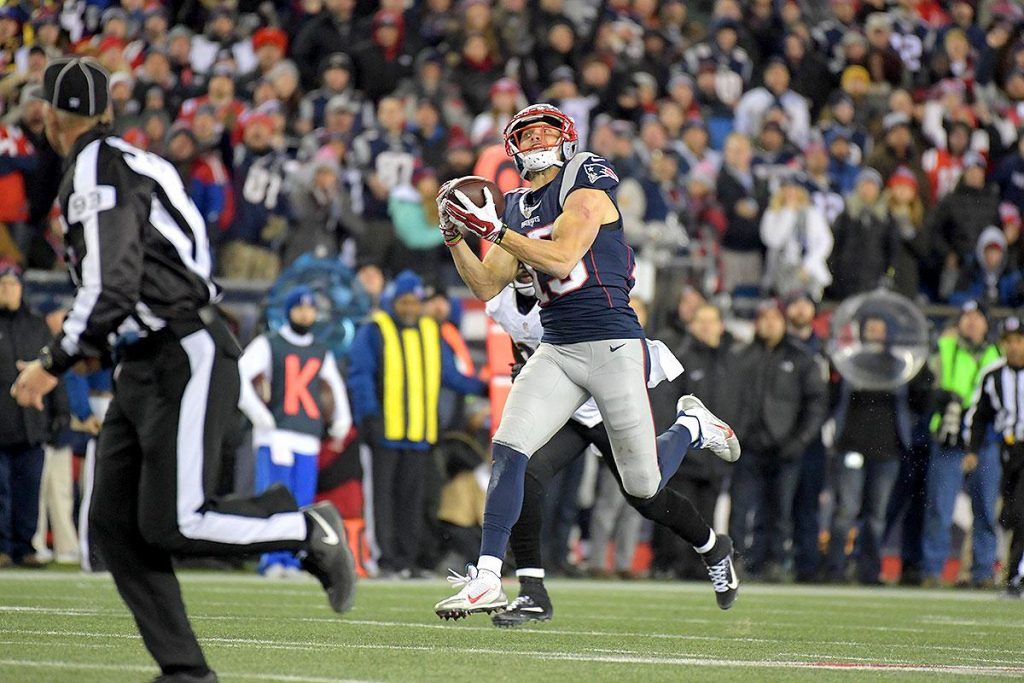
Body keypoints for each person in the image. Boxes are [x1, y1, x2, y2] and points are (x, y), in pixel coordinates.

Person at [9, 58, 355, 682]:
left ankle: (305, 527)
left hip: (182, 349)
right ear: (107, 110)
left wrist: (52, 363)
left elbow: (112, 285)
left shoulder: (95, 167)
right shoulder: (137, 162)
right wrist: (98, 345)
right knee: (115, 525)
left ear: (51, 119)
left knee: (180, 519)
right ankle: (185, 671)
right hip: (148, 355)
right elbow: (144, 275)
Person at [433, 104, 740, 618]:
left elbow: (562, 257)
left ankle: (691, 427)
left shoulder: (585, 180)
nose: (535, 142)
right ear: (512, 150)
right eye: (525, 136)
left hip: (612, 345)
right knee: (508, 449)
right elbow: (487, 283)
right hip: (558, 349)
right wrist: (455, 237)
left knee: (643, 485)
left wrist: (492, 231)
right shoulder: (516, 206)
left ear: (566, 139)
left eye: (543, 133)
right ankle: (487, 578)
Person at [347, 270, 488, 579]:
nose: (410, 308)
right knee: (382, 499)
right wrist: (368, 416)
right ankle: (384, 559)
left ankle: (407, 560)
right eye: (404, 302)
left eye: (414, 302)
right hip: (385, 431)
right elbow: (360, 376)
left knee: (413, 500)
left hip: (419, 434)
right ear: (393, 301)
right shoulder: (375, 330)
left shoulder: (430, 332)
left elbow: (450, 376)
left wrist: (486, 388)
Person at [237, 286, 352, 578]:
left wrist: (342, 421)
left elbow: (335, 387)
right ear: (288, 311)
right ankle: (271, 559)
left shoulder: (320, 350)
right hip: (276, 434)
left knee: (302, 504)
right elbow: (239, 376)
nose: (305, 314)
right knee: (275, 500)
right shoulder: (269, 343)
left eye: (310, 309)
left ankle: (293, 559)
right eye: (300, 308)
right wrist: (259, 414)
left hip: (307, 436)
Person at [730, 300, 828, 582]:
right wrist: (734, 434)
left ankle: (774, 561)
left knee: (780, 510)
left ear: (784, 323)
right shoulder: (741, 357)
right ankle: (738, 562)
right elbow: (729, 399)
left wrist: (800, 440)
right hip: (747, 445)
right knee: (741, 509)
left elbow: (816, 404)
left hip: (785, 447)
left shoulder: (801, 358)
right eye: (765, 318)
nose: (770, 324)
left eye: (775, 318)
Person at [920, 301, 1002, 588]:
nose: (971, 321)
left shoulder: (998, 354)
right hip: (949, 437)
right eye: (966, 316)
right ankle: (932, 571)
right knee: (940, 509)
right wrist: (937, 397)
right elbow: (922, 387)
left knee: (986, 510)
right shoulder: (943, 348)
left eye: (977, 316)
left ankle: (983, 572)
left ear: (987, 323)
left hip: (985, 440)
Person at [0, 265, 65, 568]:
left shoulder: (38, 326)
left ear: (22, 289)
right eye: (3, 285)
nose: (7, 290)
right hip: (2, 422)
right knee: (1, 491)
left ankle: (25, 547)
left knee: (29, 490)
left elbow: (54, 370)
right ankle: (2, 547)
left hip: (31, 423)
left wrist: (61, 412)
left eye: (12, 285)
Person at [963, 316, 1024, 598]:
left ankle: (1015, 578)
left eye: (1019, 340)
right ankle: (1014, 576)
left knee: (1021, 514)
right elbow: (979, 415)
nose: (1014, 347)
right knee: (1009, 516)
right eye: (1008, 341)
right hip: (1009, 452)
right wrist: (972, 450)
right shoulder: (993, 375)